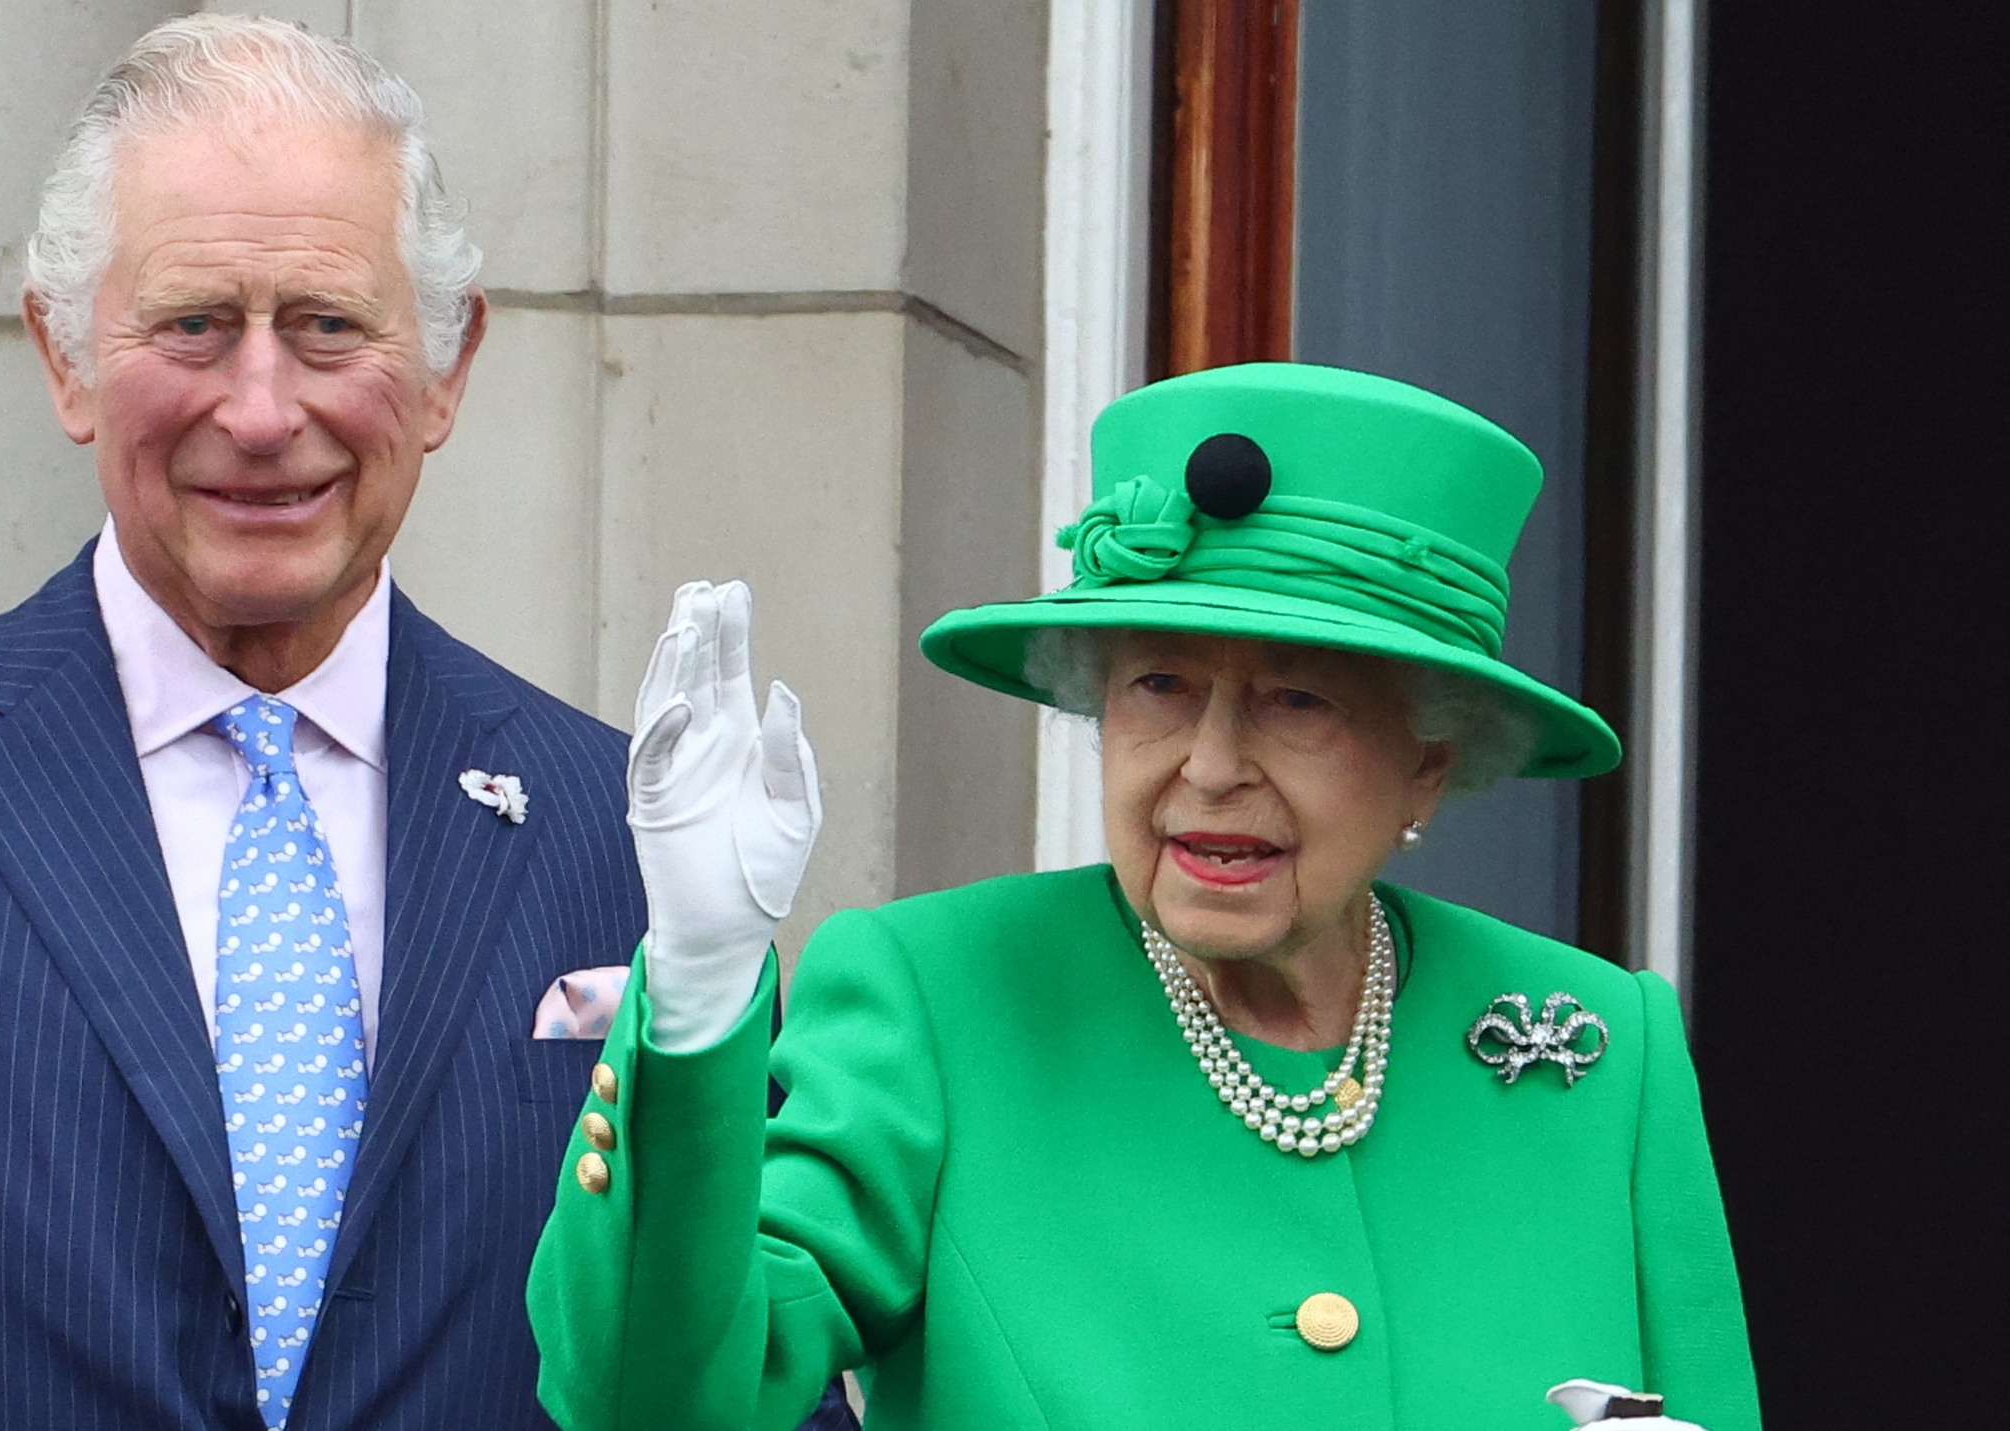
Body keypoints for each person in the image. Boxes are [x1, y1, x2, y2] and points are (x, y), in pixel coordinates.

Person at [0, 18, 862, 1431]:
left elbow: (740, 1389)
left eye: (327, 325)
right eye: (192, 324)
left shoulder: (630, 843)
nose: (259, 408)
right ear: (64, 357)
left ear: (444, 369)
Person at [529, 362, 1762, 1429]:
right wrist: (695, 988)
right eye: (1160, 685)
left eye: (1298, 701)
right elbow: (657, 1405)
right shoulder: (944, 1000)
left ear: (1429, 759)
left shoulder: (1600, 1049)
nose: (1211, 767)